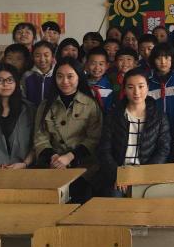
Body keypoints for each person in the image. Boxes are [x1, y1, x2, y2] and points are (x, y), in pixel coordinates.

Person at [34, 57, 102, 203]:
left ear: (79, 77)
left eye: (70, 76)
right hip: (52, 166)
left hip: (83, 167)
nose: (65, 81)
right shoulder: (45, 105)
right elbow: (40, 137)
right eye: (60, 76)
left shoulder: (90, 104)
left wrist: (70, 157)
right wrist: (53, 158)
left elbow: (94, 138)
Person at [98, 69, 170, 196]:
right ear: (124, 90)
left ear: (148, 88)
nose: (136, 92)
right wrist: (119, 175)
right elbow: (104, 150)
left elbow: (163, 149)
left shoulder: (159, 116)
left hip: (147, 173)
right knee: (114, 197)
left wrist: (143, 175)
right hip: (119, 173)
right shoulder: (114, 115)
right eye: (130, 87)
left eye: (141, 86)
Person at [22, 40, 56, 107]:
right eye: (37, 56)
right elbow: (23, 97)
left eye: (46, 55)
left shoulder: (58, 74)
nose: (42, 59)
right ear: (32, 57)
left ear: (52, 57)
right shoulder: (27, 75)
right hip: (31, 111)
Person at [85, 47, 114, 114]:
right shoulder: (81, 83)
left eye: (101, 64)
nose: (97, 68)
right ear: (86, 64)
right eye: (93, 64)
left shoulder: (110, 85)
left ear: (107, 66)